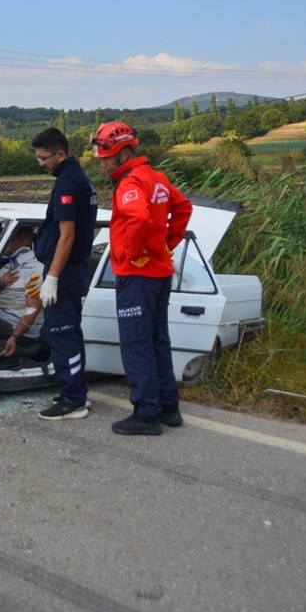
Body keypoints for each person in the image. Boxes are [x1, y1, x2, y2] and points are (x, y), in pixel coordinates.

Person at [91, 121, 193, 436]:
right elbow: (184, 208)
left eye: (106, 156)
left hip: (137, 275)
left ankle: (146, 414)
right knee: (158, 340)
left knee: (136, 343)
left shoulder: (131, 183)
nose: (103, 162)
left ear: (123, 152)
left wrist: (131, 253)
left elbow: (137, 218)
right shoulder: (157, 178)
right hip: (159, 273)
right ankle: (168, 407)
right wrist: (165, 245)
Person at [31, 127, 98, 420]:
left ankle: (73, 401)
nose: (41, 164)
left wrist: (52, 277)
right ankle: (76, 391)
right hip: (73, 269)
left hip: (66, 270)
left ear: (60, 154)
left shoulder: (68, 183)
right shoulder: (76, 178)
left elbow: (66, 236)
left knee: (61, 333)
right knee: (71, 332)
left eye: (44, 158)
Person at [0, 225, 45, 359]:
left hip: (19, 333)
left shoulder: (37, 271)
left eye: (11, 240)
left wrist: (14, 337)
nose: (5, 244)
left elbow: (32, 310)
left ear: (25, 242)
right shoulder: (5, 268)